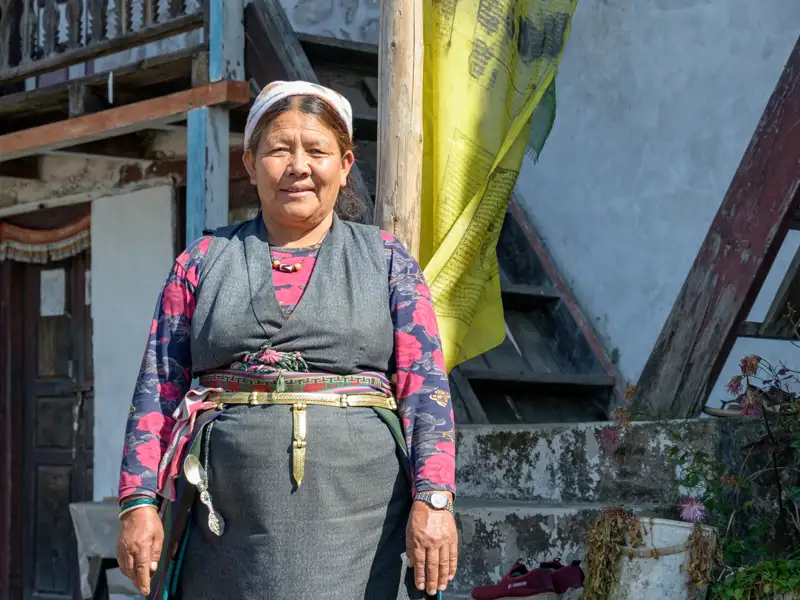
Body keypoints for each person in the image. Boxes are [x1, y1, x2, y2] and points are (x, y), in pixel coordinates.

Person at [114, 80, 458, 600]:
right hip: (223, 522)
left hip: (358, 523)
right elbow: (158, 389)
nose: (299, 166)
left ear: (344, 167)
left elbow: (424, 387)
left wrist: (434, 500)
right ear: (251, 164)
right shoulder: (202, 262)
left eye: (316, 150)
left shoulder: (387, 261)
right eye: (279, 149)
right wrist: (139, 502)